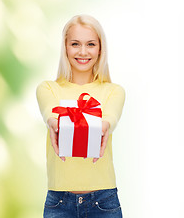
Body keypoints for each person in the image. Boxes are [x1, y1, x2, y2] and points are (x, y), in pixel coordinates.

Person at [36, 14, 125, 218]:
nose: (83, 52)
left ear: (100, 49)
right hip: (59, 202)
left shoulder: (114, 91)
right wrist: (53, 123)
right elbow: (49, 112)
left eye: (91, 44)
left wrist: (105, 127)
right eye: (75, 44)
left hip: (104, 201)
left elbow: (111, 117)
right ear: (65, 47)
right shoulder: (48, 88)